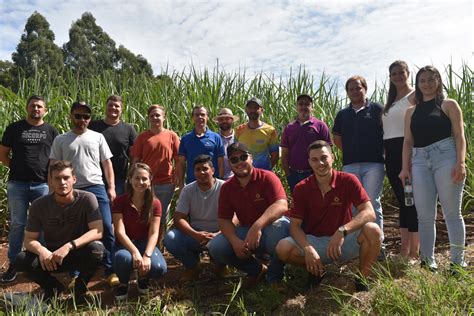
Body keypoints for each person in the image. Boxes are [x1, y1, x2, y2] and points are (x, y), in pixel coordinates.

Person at [276, 141, 381, 291]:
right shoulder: (301, 188)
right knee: (283, 248)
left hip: (343, 241)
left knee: (373, 230)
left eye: (324, 157)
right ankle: (317, 271)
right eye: (315, 159)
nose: (320, 163)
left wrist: (342, 230)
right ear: (309, 163)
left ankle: (361, 279)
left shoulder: (348, 180)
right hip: (316, 242)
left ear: (332, 158)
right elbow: (294, 226)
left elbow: (369, 212)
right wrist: (308, 249)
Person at [399, 65, 466, 271]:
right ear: (417, 85)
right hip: (419, 162)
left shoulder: (448, 105)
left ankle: (458, 261)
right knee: (424, 215)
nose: (426, 84)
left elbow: (459, 135)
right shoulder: (411, 112)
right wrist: (405, 168)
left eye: (431, 79)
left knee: (451, 212)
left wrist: (461, 162)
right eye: (422, 81)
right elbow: (408, 142)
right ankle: (428, 261)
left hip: (445, 157)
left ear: (438, 81)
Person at [14, 160, 104, 301]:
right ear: (50, 181)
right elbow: (29, 239)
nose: (62, 182)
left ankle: (80, 288)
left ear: (74, 179)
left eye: (66, 177)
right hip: (52, 256)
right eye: (57, 178)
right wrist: (42, 251)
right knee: (21, 260)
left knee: (97, 250)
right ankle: (53, 287)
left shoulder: (87, 199)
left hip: (77, 251)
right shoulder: (39, 205)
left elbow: (97, 231)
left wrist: (69, 246)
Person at [49, 101, 118, 286]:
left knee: (106, 226)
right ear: (70, 116)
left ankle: (110, 269)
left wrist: (111, 187)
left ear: (90, 119)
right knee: (74, 229)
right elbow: (53, 166)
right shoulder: (61, 139)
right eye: (78, 116)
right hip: (72, 190)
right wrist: (52, 190)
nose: (82, 120)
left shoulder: (98, 137)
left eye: (86, 117)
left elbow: (107, 164)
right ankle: (75, 271)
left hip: (96, 186)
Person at [207, 142, 290, 287]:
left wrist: (257, 226)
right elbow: (223, 219)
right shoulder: (227, 188)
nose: (239, 162)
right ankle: (256, 270)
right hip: (246, 233)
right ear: (230, 164)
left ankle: (274, 277)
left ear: (251, 158)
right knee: (216, 247)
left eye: (243, 157)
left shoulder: (267, 177)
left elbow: (281, 205)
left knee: (280, 228)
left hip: (270, 229)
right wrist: (235, 241)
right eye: (234, 160)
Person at [0, 95, 59, 283]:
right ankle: (14, 264)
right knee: (18, 223)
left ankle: (40, 263)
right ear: (27, 108)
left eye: (40, 106)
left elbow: (55, 158)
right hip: (18, 184)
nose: (36, 109)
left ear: (45, 110)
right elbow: (2, 154)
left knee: (43, 224)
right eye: (33, 106)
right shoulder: (14, 128)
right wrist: (17, 167)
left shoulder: (51, 131)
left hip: (42, 184)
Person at [332, 76, 385, 241]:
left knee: (372, 202)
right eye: (351, 89)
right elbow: (337, 137)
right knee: (355, 205)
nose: (355, 91)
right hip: (350, 165)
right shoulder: (343, 114)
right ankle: (358, 246)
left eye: (358, 88)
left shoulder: (376, 109)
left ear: (365, 89)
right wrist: (350, 151)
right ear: (347, 92)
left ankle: (378, 244)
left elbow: (387, 134)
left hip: (374, 164)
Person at [164, 155, 228, 282]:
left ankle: (220, 265)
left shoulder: (224, 188)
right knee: (171, 239)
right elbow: (179, 217)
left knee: (225, 242)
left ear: (213, 170)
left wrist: (219, 234)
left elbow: (235, 216)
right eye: (197, 170)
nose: (201, 173)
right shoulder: (188, 190)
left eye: (205, 169)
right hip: (196, 234)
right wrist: (196, 234)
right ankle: (193, 266)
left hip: (220, 233)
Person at [111, 163, 167, 301]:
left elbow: (154, 233)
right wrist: (135, 252)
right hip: (125, 244)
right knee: (124, 259)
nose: (140, 182)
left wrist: (147, 255)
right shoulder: (119, 202)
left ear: (150, 180)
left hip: (145, 243)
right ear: (130, 179)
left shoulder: (155, 203)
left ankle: (143, 278)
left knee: (158, 267)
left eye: (144, 179)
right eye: (137, 178)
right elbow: (119, 231)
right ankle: (124, 282)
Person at [382, 61, 419, 259]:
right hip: (391, 155)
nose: (397, 76)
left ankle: (415, 252)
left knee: (411, 200)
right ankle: (404, 250)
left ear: (408, 73)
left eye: (400, 72)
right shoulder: (390, 100)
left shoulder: (415, 95)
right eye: (393, 73)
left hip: (407, 152)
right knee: (402, 202)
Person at [131, 104, 180, 243]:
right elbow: (135, 159)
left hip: (166, 183)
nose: (155, 118)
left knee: (162, 214)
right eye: (152, 115)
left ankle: (160, 244)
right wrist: (132, 178)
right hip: (145, 183)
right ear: (148, 118)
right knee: (145, 213)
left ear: (164, 117)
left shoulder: (172, 136)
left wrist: (178, 176)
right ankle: (145, 242)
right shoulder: (142, 137)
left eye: (158, 115)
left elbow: (178, 159)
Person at [281, 94, 332, 193]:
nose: (303, 107)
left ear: (312, 107)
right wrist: (288, 174)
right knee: (299, 205)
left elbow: (328, 151)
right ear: (297, 107)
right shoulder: (289, 128)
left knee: (316, 203)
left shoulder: (320, 126)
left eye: (307, 104)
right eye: (300, 104)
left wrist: (324, 172)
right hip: (294, 175)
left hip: (315, 173)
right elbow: (284, 153)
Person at [89, 95, 137, 195]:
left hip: (119, 178)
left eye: (117, 106)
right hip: (95, 177)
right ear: (105, 107)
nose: (113, 108)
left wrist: (131, 176)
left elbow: (133, 156)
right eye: (110, 105)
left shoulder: (129, 129)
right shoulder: (93, 126)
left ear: (121, 110)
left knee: (115, 208)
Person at [177, 105, 225, 187]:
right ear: (193, 118)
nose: (200, 117)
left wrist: (220, 182)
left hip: (212, 184)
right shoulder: (186, 139)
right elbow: (181, 164)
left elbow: (221, 162)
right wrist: (181, 184)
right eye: (197, 115)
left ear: (207, 117)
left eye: (203, 115)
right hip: (192, 184)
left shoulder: (216, 137)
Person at [235, 97, 279, 171]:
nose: (253, 110)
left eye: (256, 108)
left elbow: (275, 155)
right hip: (244, 173)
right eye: (250, 108)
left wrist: (266, 170)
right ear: (246, 110)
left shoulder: (270, 130)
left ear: (262, 110)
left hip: (263, 174)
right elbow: (235, 153)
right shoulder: (238, 130)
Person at [212, 108, 239, 179]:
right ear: (218, 121)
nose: (224, 121)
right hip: (217, 179)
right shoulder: (213, 138)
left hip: (236, 179)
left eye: (227, 119)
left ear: (232, 120)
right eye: (221, 119)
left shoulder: (239, 137)